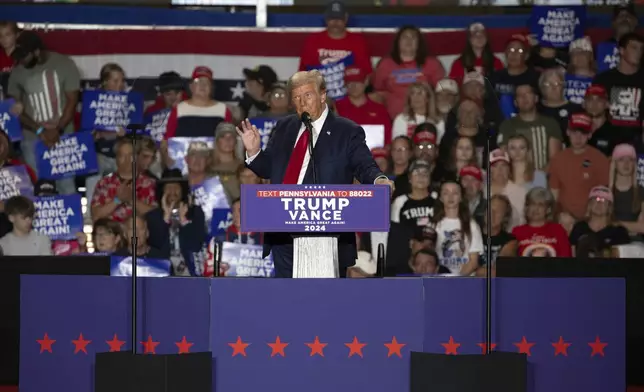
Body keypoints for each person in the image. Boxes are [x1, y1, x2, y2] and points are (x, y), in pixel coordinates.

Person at [236, 70, 393, 278]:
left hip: (329, 234)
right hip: (284, 232)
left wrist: (379, 179)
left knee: (325, 304)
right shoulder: (284, 127)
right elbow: (268, 168)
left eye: (307, 95)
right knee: (288, 302)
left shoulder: (346, 131)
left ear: (322, 95)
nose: (301, 103)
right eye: (296, 98)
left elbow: (364, 165)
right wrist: (254, 151)